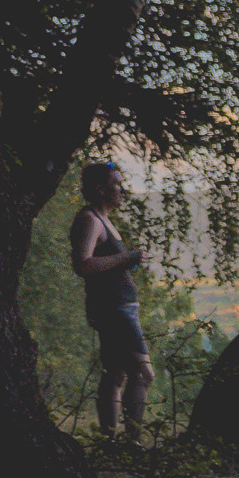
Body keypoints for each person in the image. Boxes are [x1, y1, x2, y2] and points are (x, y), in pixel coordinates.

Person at [69, 161, 153, 437]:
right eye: (116, 183)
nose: (122, 189)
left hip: (120, 307)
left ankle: (109, 440)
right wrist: (127, 257)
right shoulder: (89, 220)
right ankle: (133, 443)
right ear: (100, 188)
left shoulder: (103, 220)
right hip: (114, 309)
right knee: (143, 374)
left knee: (116, 373)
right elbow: (83, 264)